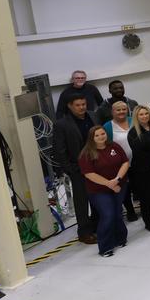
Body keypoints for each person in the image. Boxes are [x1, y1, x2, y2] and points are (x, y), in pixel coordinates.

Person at [77, 127, 129, 257]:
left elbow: (125, 162)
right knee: (108, 215)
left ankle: (120, 238)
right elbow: (89, 174)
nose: (101, 137)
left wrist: (117, 180)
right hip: (99, 190)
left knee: (117, 212)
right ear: (91, 138)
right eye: (97, 135)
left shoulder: (114, 146)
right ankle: (105, 247)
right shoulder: (86, 154)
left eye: (103, 134)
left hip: (119, 185)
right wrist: (110, 184)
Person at [54, 96, 100, 243]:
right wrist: (70, 169)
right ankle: (84, 232)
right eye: (78, 105)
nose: (82, 107)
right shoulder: (62, 124)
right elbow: (59, 149)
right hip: (78, 167)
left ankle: (97, 225)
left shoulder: (93, 116)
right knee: (82, 200)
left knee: (98, 196)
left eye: (84, 104)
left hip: (98, 164)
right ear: (70, 106)